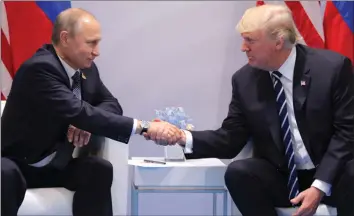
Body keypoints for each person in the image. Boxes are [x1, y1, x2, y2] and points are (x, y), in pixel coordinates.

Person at [151, 4, 354, 216]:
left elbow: (347, 132)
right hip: (283, 177)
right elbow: (230, 139)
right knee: (240, 173)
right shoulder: (245, 80)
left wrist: (319, 186)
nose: (243, 47)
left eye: (250, 40)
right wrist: (181, 137)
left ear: (278, 41)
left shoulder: (331, 69)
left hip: (332, 176)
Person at [1, 8, 181, 216]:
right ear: (66, 38)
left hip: (57, 164)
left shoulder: (86, 69)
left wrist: (83, 123)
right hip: (19, 164)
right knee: (3, 173)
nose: (97, 51)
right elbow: (78, 111)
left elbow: (110, 104)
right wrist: (145, 127)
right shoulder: (40, 69)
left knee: (98, 169)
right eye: (91, 43)